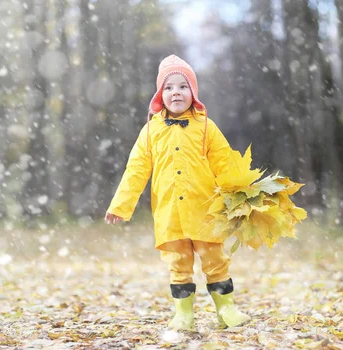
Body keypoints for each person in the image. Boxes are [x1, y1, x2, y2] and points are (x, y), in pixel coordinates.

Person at [105, 54, 250, 330]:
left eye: (183, 87)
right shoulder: (150, 132)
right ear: (160, 94)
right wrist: (120, 205)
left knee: (215, 259)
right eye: (169, 87)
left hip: (205, 210)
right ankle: (184, 314)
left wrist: (241, 196)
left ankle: (226, 310)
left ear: (193, 93)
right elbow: (136, 170)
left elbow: (225, 163)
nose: (176, 92)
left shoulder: (206, 127)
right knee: (178, 264)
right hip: (169, 212)